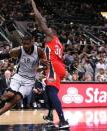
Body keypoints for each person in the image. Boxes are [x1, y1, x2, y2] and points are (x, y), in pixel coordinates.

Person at [0, 35, 47, 125]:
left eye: (28, 44)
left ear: (32, 43)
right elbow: (5, 55)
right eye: (24, 44)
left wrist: (41, 68)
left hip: (30, 81)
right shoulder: (18, 50)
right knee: (10, 94)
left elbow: (45, 65)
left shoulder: (39, 51)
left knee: (15, 99)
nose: (25, 46)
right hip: (19, 76)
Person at [31, 0, 69, 129]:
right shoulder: (57, 43)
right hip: (58, 67)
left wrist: (33, 6)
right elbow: (51, 59)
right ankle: (50, 115)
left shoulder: (52, 38)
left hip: (55, 67)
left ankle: (63, 120)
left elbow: (41, 22)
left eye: (47, 33)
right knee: (48, 91)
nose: (44, 35)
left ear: (52, 33)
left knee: (51, 92)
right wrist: (41, 68)